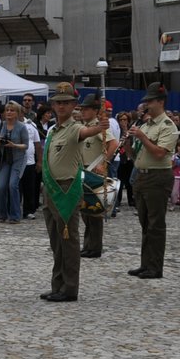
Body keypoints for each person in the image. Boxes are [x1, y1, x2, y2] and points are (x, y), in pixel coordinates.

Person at [39, 83, 107, 302]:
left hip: (67, 189)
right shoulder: (52, 130)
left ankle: (69, 288)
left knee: (68, 240)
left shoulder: (75, 128)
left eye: (66, 102)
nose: (61, 106)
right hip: (51, 189)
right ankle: (57, 284)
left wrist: (100, 127)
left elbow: (88, 131)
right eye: (58, 102)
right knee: (56, 241)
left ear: (73, 106)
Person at [127, 83, 179, 280]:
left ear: (160, 101)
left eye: (150, 101)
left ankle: (155, 266)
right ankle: (145, 263)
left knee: (156, 224)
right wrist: (128, 141)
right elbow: (134, 155)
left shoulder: (168, 126)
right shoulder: (145, 125)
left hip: (158, 176)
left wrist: (141, 136)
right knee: (145, 222)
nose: (146, 104)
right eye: (146, 101)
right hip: (142, 175)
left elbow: (159, 153)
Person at [77, 97, 117, 257]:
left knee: (94, 211)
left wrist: (104, 162)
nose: (83, 111)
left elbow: (113, 143)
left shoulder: (99, 126)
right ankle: (88, 245)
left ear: (94, 111)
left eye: (86, 109)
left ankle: (94, 247)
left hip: (93, 171)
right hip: (83, 170)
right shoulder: (84, 127)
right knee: (85, 211)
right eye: (82, 109)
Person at [0, 102, 30, 224]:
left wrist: (14, 145)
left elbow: (26, 145)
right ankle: (2, 214)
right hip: (4, 159)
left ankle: (15, 215)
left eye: (12, 110)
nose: (9, 112)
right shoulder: (0, 125)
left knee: (12, 185)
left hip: (17, 159)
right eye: (7, 110)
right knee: (2, 186)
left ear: (17, 113)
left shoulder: (21, 127)